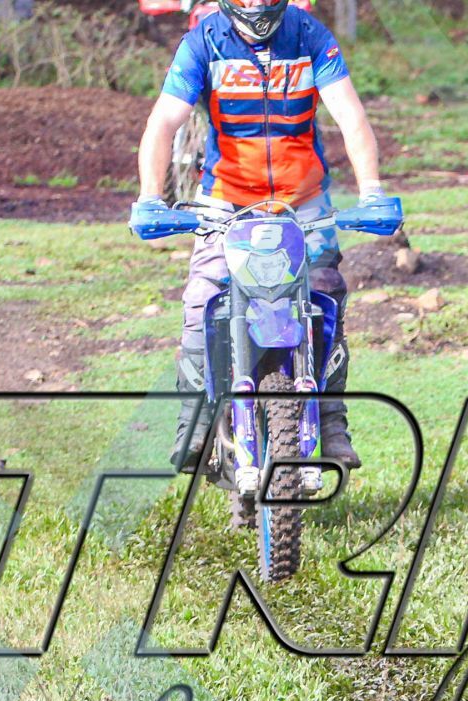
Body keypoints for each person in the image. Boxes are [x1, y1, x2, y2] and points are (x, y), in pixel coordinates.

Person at [128, 0, 397, 482]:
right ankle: (195, 422)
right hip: (225, 202)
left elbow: (351, 116)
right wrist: (151, 197)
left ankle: (330, 419)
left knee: (325, 295)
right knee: (202, 299)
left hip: (303, 202)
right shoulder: (203, 42)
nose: (254, 3)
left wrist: (372, 192)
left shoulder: (310, 37)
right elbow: (163, 121)